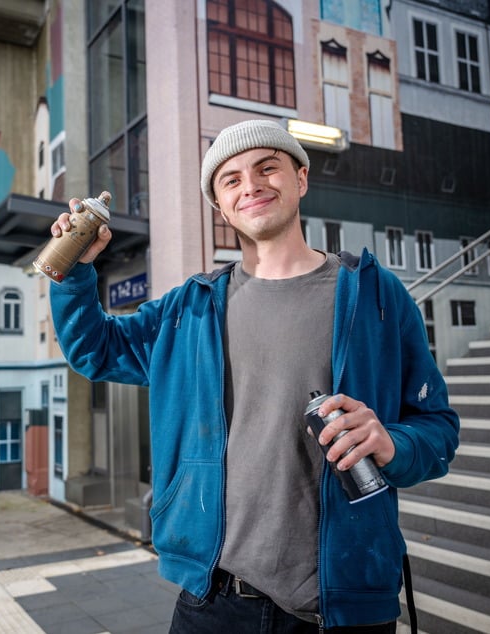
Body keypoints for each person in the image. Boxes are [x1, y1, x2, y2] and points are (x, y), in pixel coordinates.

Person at [46, 119, 459, 633]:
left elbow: (438, 428)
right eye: (232, 179)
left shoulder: (374, 296)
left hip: (343, 603)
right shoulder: (188, 312)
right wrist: (75, 271)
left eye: (268, 168)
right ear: (219, 206)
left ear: (301, 179)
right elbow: (95, 349)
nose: (252, 185)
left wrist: (391, 442)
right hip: (214, 600)